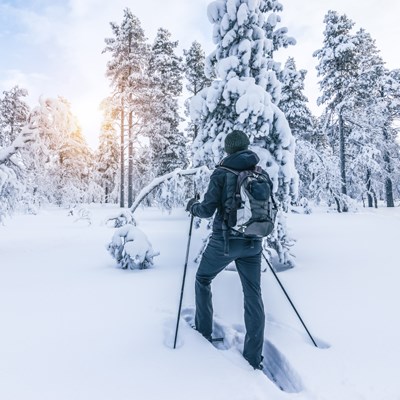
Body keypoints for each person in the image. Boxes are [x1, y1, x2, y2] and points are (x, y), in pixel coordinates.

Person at [186, 130, 265, 370]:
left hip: (225, 242)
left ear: (228, 149)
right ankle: (253, 356)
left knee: (203, 279)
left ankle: (203, 331)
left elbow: (207, 209)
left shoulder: (221, 173)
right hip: (254, 241)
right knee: (253, 295)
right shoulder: (259, 172)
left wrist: (193, 206)